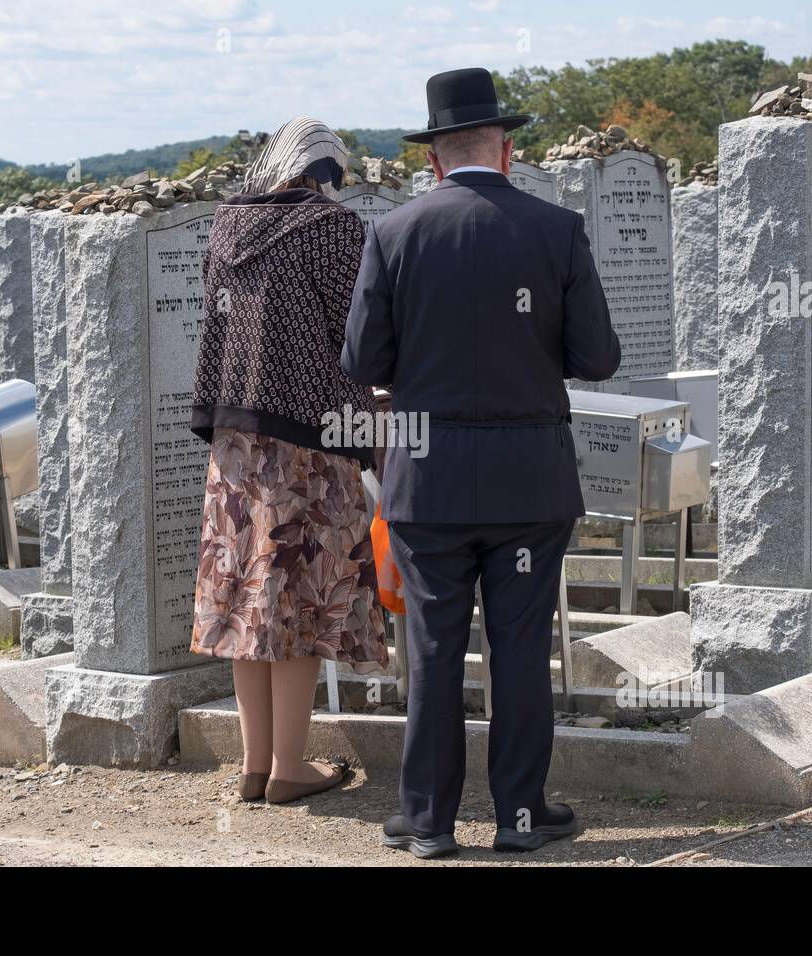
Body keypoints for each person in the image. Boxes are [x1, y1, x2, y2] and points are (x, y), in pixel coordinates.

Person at [343, 68, 620, 857]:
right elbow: (597, 358)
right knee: (522, 648)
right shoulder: (555, 229)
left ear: (434, 158)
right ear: (506, 150)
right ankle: (520, 817)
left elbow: (363, 357)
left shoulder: (393, 234)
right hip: (528, 478)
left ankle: (428, 822)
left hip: (428, 477)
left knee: (431, 646)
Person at [190, 117, 388, 806]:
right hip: (309, 440)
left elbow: (216, 333)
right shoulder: (333, 230)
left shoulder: (226, 227)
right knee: (298, 604)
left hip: (235, 446)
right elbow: (361, 333)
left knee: (249, 605)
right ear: (320, 173)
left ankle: (253, 765)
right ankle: (290, 768)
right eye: (332, 178)